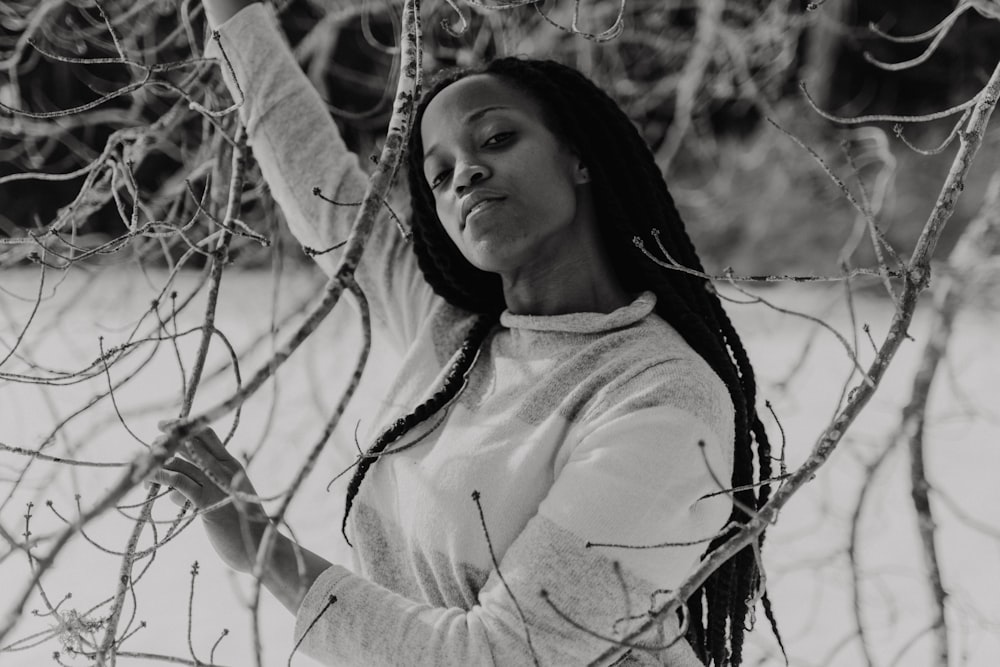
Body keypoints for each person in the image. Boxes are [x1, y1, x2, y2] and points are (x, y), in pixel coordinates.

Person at [153, 1, 776, 665]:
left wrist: (266, 554)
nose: (465, 175)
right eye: (439, 173)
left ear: (580, 159)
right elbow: (317, 179)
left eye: (497, 139)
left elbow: (496, 656)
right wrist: (234, 14)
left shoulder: (662, 398)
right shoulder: (450, 330)